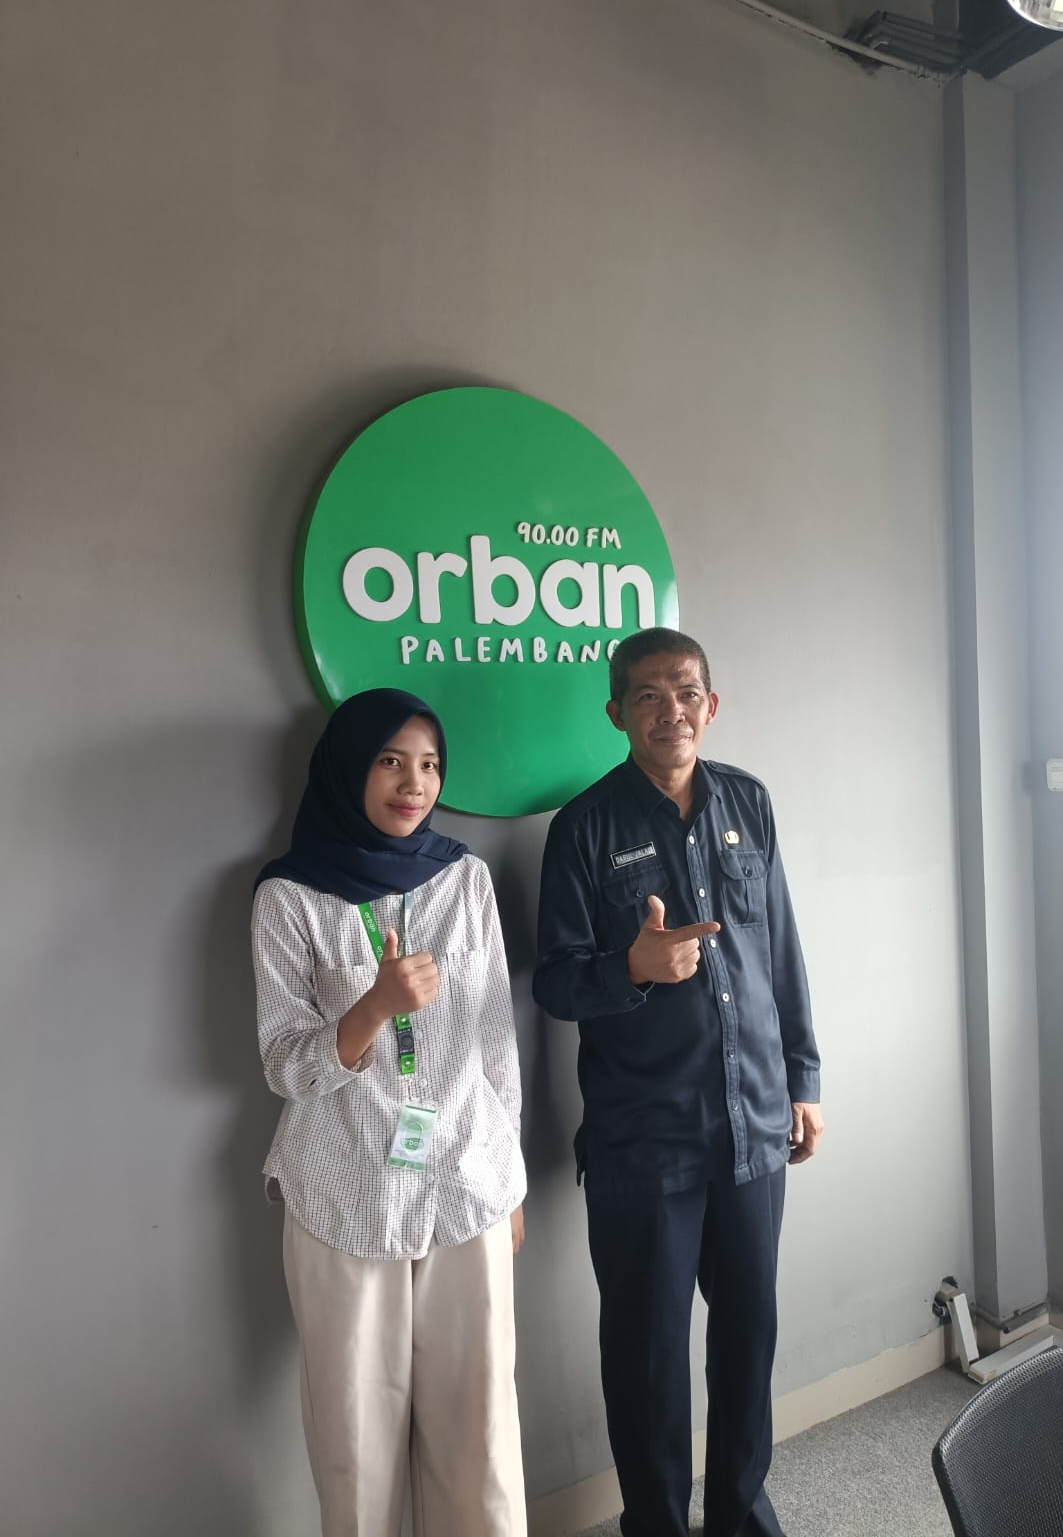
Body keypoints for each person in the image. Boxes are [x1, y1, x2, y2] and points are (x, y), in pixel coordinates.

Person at [533, 628, 822, 1537]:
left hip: (753, 1123)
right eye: (649, 696)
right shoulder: (585, 828)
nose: (672, 712)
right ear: (617, 712)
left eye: (687, 692)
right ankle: (655, 1525)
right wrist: (635, 967)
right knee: (649, 1359)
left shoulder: (749, 801)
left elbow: (780, 949)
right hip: (644, 1142)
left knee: (747, 1339)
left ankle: (739, 1516)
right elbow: (554, 984)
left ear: (712, 704)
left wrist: (803, 1078)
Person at [252, 687, 527, 1537]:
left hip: (467, 1184)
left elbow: (495, 1040)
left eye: (430, 764)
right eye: (390, 761)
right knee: (355, 1446)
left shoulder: (465, 878)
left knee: (480, 1434)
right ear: (348, 768)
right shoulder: (289, 896)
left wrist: (511, 1180)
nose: (415, 783)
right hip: (345, 1193)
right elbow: (283, 1064)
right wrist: (372, 1008)